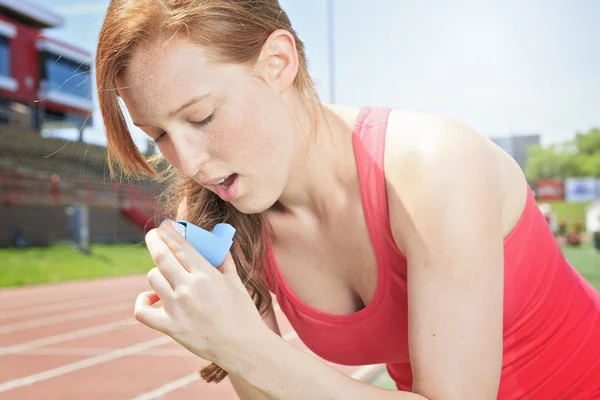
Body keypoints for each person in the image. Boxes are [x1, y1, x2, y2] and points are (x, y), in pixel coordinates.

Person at [95, 1, 600, 399]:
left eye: (201, 117)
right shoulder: (218, 217)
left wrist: (241, 344)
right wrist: (228, 340)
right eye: (157, 134)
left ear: (278, 62)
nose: (187, 162)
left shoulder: (437, 167)